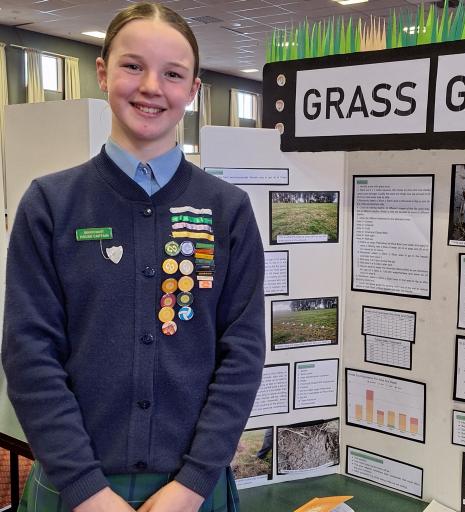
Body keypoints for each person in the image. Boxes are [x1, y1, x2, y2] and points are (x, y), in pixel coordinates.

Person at [1, 3, 265, 511]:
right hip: (75, 488)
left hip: (191, 489)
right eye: (132, 65)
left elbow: (243, 353)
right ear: (103, 73)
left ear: (192, 91)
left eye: (172, 74)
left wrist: (192, 486)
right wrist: (87, 491)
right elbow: (30, 355)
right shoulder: (51, 204)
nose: (151, 87)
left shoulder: (227, 209)